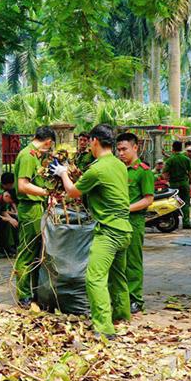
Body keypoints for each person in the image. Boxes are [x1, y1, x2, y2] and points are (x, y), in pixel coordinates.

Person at [53, 124, 132, 338]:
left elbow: (72, 192)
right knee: (118, 276)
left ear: (94, 141)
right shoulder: (119, 164)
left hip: (109, 232)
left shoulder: (97, 169)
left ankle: (104, 329)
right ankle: (122, 316)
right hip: (125, 230)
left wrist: (62, 174)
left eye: (89, 142)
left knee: (94, 279)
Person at [13, 125, 56, 306]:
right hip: (30, 209)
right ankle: (23, 294)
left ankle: (34, 292)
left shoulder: (34, 156)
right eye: (51, 145)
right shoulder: (28, 156)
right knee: (27, 252)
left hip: (37, 207)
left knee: (37, 253)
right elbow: (23, 185)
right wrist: (47, 193)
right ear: (48, 141)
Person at [115, 132, 154, 314]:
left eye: (124, 149)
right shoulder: (117, 168)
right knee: (117, 262)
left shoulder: (143, 171)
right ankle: (120, 297)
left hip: (134, 221)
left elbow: (148, 199)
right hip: (117, 221)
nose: (121, 153)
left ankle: (135, 299)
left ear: (135, 148)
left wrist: (127, 209)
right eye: (119, 150)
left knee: (133, 262)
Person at [163, 140, 191, 229]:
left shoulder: (170, 160)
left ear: (172, 148)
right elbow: (190, 172)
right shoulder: (186, 159)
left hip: (173, 185)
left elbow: (165, 173)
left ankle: (173, 222)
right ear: (181, 148)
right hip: (184, 184)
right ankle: (186, 223)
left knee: (174, 203)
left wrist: (167, 180)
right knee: (185, 203)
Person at [0, 172, 18, 257]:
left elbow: (3, 210)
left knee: (12, 220)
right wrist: (8, 219)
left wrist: (11, 218)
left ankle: (9, 246)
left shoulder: (5, 195)